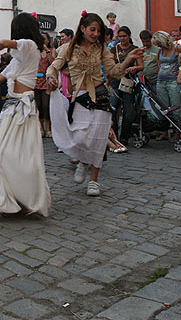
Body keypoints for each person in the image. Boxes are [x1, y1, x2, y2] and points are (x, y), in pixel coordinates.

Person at [47, 12, 143, 197]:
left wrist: (129, 59)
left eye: (98, 30)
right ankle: (83, 161)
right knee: (80, 136)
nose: (96, 34)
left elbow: (114, 72)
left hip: (100, 95)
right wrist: (51, 78)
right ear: (82, 29)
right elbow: (54, 67)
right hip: (80, 96)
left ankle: (94, 181)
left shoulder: (101, 49)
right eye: (92, 29)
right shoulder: (68, 48)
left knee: (99, 139)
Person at [0, 13, 50, 214]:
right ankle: (10, 198)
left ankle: (25, 199)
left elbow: (2, 42)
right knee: (2, 154)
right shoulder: (20, 59)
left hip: (23, 109)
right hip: (11, 108)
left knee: (22, 155)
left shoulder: (30, 46)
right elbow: (1, 78)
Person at [109, 26, 143, 147]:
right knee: (112, 108)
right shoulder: (114, 49)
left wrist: (134, 68)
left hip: (129, 81)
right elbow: (110, 64)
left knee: (128, 110)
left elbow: (141, 66)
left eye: (124, 36)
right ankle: (115, 136)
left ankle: (124, 137)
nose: (122, 38)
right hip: (115, 81)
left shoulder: (134, 49)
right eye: (120, 36)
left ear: (129, 36)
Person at [152, 30, 181, 139]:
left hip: (173, 81)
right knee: (164, 107)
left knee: (175, 107)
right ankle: (165, 131)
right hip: (161, 81)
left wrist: (180, 70)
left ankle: (178, 132)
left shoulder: (177, 48)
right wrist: (160, 70)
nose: (159, 46)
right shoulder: (160, 51)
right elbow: (158, 61)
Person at [34, 32, 54, 138]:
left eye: (44, 38)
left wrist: (47, 51)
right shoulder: (35, 51)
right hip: (36, 81)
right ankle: (41, 128)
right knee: (38, 106)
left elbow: (53, 63)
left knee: (46, 105)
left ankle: (48, 128)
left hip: (46, 81)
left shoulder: (51, 51)